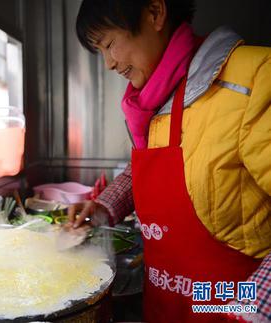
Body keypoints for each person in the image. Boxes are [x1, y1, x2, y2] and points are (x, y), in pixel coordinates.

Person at [71, 0, 271, 322]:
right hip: (165, 306)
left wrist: (257, 309)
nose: (108, 63)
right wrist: (104, 207)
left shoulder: (255, 77)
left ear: (154, 13)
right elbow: (155, 169)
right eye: (100, 51)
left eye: (110, 44)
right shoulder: (153, 99)